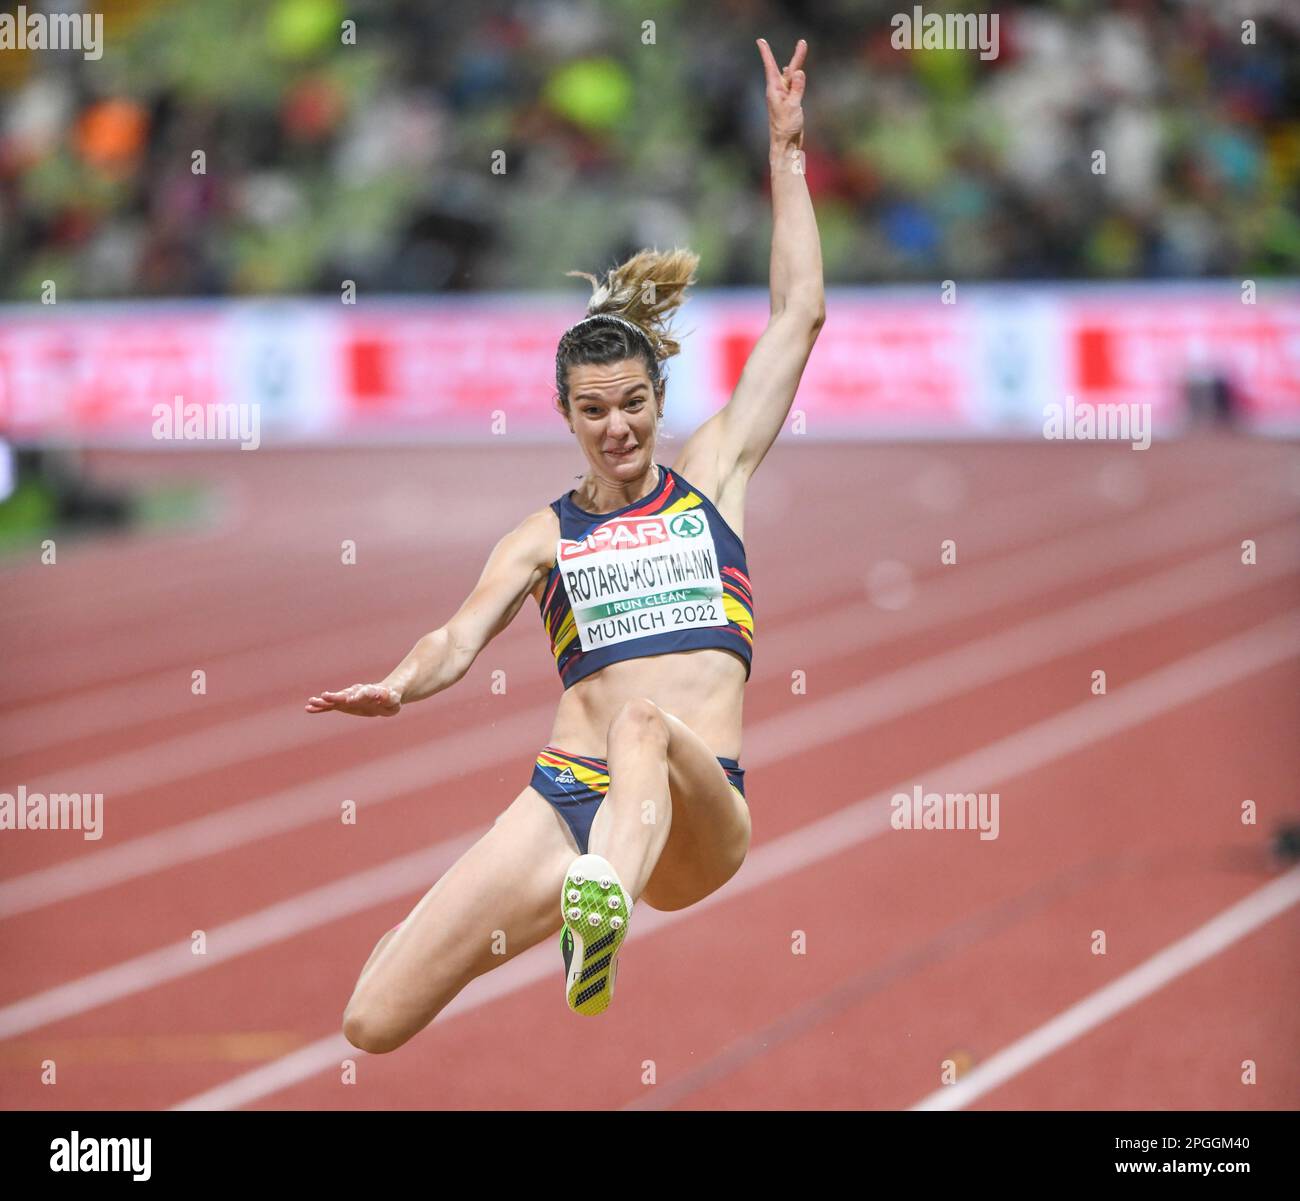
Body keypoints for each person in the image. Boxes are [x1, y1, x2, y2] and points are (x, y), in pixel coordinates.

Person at [308, 36, 823, 1051]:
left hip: (693, 806)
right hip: (566, 795)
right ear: (567, 413)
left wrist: (786, 154)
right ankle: (569, 900)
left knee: (639, 723)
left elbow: (798, 313)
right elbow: (455, 640)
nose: (619, 427)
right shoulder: (544, 536)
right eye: (595, 410)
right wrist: (399, 686)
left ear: (657, 399)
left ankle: (603, 918)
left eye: (634, 404)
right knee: (371, 1019)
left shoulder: (713, 477)